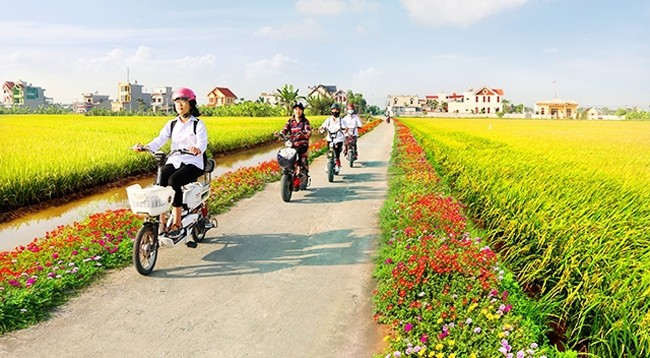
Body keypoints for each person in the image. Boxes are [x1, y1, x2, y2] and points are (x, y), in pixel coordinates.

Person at [133, 87, 208, 238]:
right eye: (177, 101)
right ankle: (161, 221)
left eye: (184, 101)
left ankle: (177, 223)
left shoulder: (197, 124)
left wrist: (197, 149)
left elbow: (203, 142)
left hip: (193, 162)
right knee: (160, 180)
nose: (180, 104)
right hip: (175, 160)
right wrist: (146, 147)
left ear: (191, 103)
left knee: (174, 181)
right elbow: (160, 139)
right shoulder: (172, 124)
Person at [277, 102, 312, 188]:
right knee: (287, 155)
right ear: (293, 111)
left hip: (302, 144)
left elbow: (308, 130)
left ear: (302, 111)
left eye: (299, 109)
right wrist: (280, 134)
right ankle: (289, 171)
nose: (298, 111)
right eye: (296, 109)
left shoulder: (305, 121)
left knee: (301, 159)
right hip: (292, 144)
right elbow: (285, 129)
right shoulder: (290, 121)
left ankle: (302, 172)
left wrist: (305, 134)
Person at [319, 103, 345, 174]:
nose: (335, 111)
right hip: (330, 138)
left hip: (339, 139)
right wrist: (321, 128)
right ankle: (328, 164)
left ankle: (337, 163)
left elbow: (345, 128)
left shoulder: (341, 120)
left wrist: (345, 129)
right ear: (331, 111)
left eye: (337, 110)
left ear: (339, 111)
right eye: (333, 110)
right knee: (329, 152)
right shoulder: (328, 120)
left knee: (337, 152)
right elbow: (323, 126)